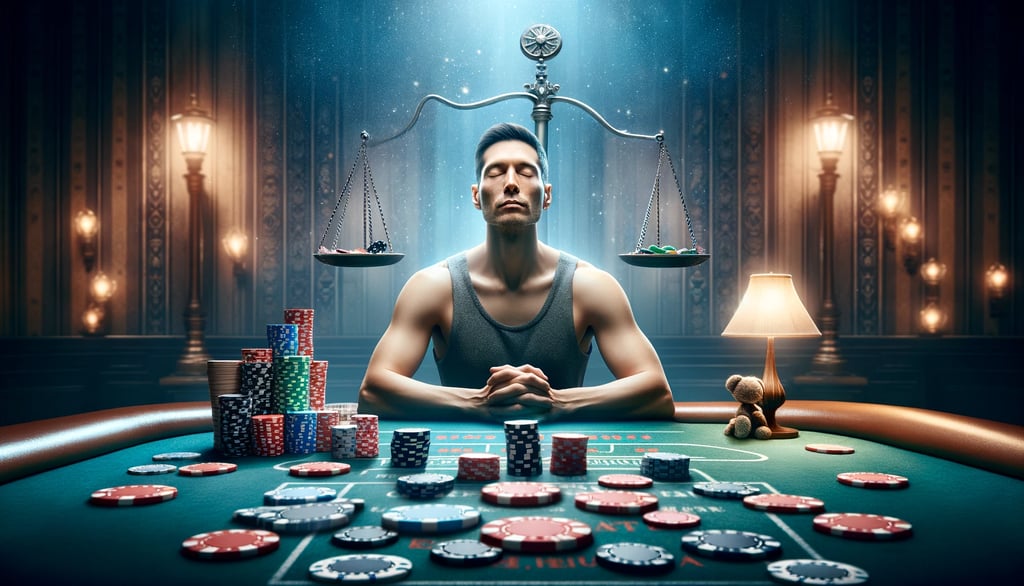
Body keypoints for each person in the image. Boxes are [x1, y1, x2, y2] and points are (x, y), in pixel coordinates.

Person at [358, 123, 674, 422]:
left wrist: (559, 402)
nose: (511, 183)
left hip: (560, 467)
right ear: (475, 195)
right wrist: (476, 402)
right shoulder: (433, 286)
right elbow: (373, 391)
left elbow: (657, 392)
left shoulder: (591, 287)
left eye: (526, 172)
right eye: (495, 173)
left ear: (546, 195)